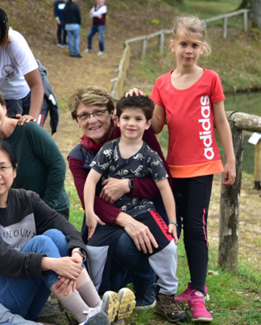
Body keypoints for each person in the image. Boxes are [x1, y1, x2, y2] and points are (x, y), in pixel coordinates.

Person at [130, 15, 236, 323]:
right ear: (172, 44)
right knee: (171, 226)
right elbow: (158, 126)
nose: (188, 50)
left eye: (195, 45)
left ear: (202, 48)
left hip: (203, 165)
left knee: (196, 227)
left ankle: (198, 291)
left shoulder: (210, 79)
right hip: (172, 169)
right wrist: (143, 103)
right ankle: (166, 286)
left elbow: (221, 121)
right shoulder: (162, 83)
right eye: (183, 44)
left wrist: (230, 160)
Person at [0, 140, 130, 325]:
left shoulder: (27, 199)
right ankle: (85, 317)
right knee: (42, 243)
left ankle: (97, 309)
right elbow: (1, 257)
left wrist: (77, 251)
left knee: (56, 236)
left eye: (3, 168)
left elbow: (62, 224)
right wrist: (51, 263)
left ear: (14, 170)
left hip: (29, 298)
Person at [83, 95, 187, 323]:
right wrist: (90, 213)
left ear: (147, 124)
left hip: (143, 211)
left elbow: (165, 189)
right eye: (126, 118)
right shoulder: (109, 150)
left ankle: (166, 295)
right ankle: (95, 298)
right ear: (117, 121)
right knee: (92, 249)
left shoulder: (150, 156)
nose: (132, 123)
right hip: (112, 215)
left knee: (168, 247)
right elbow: (90, 181)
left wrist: (172, 221)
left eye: (138, 119)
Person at [66, 85, 167, 310]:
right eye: (84, 115)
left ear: (113, 114)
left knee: (127, 244)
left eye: (98, 112)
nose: (92, 120)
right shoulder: (77, 156)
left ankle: (146, 284)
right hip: (108, 219)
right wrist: (125, 220)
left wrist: (128, 185)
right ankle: (122, 278)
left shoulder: (135, 132)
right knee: (105, 285)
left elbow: (161, 182)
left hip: (147, 211)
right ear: (77, 122)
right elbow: (89, 201)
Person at [0, 86, 70, 218]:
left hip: (51, 207)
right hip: (19, 211)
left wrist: (45, 207)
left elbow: (58, 165)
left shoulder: (28, 129)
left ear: (4, 108)